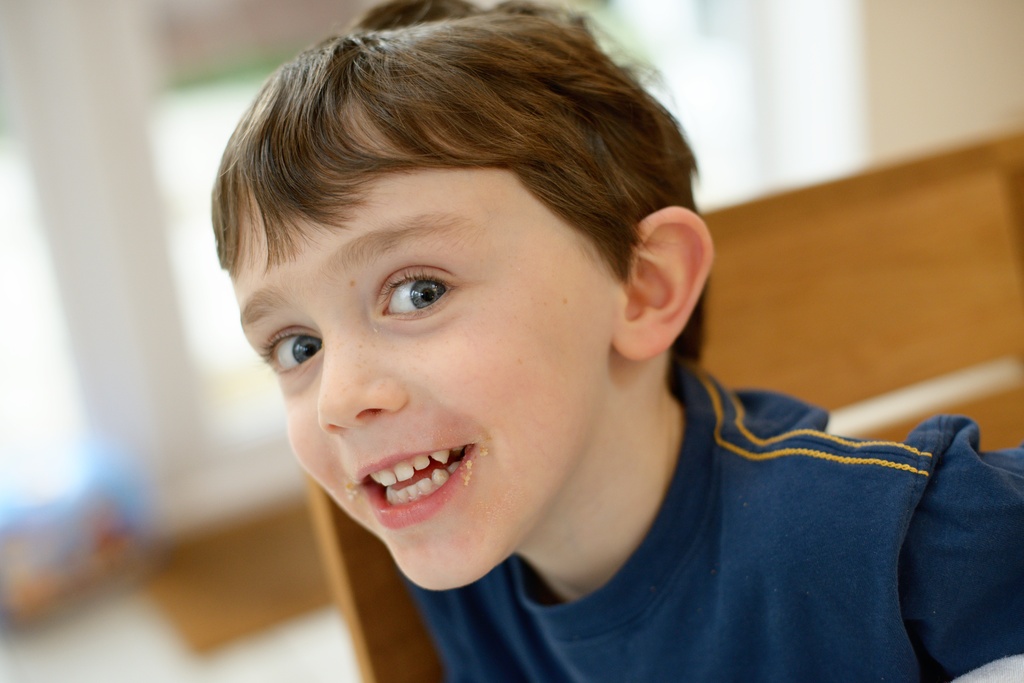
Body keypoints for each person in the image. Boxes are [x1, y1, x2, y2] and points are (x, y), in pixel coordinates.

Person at [210, 1, 1024, 680]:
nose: (341, 397)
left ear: (645, 287)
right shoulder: (460, 556)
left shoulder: (864, 542)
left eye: (418, 291)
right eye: (297, 346)